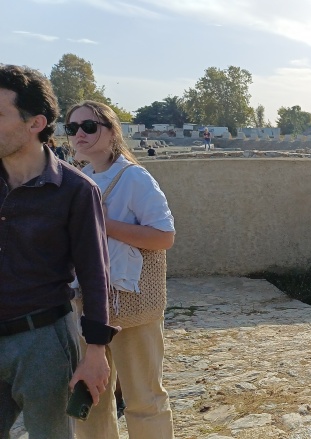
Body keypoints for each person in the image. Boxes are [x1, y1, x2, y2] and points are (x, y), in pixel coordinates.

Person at [0, 64, 115, 438]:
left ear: (35, 123)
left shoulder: (76, 191)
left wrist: (96, 353)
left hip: (43, 341)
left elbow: (95, 275)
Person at [66, 100, 175, 439]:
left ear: (111, 131)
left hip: (132, 303)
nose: (79, 134)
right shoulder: (80, 178)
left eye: (89, 126)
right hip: (87, 304)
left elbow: (164, 236)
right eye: (72, 128)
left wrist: (102, 223)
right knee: (90, 398)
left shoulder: (134, 177)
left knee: (143, 397)